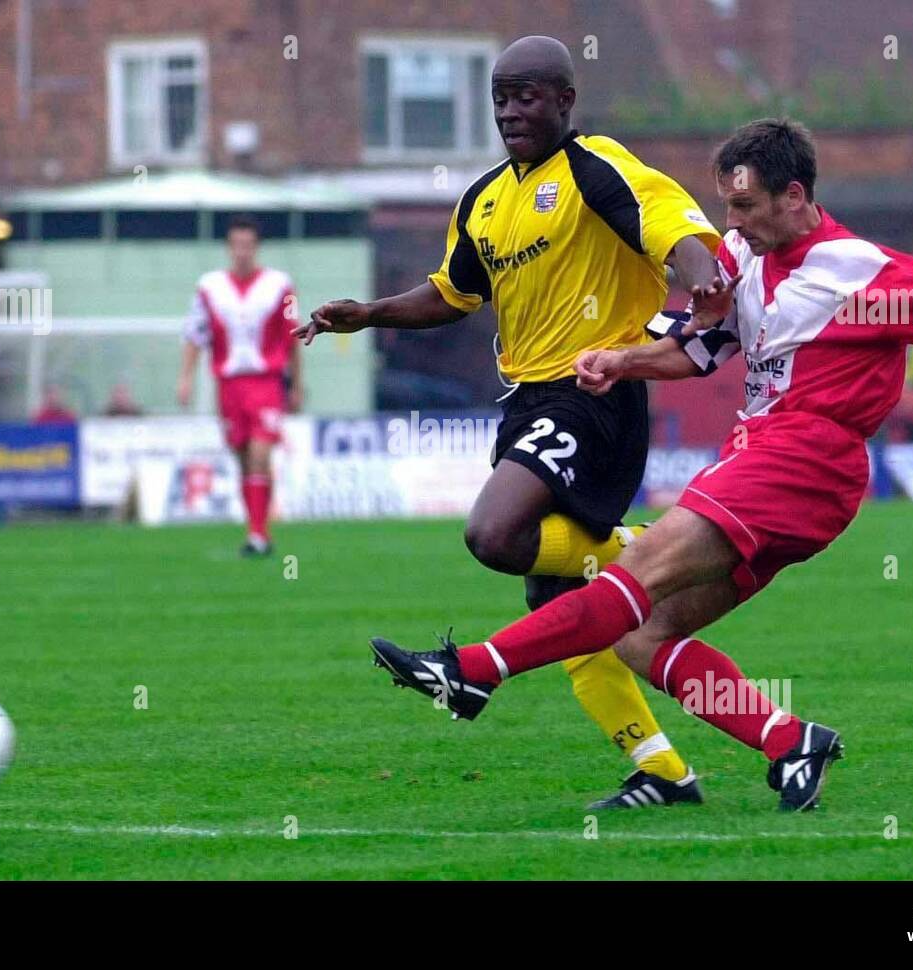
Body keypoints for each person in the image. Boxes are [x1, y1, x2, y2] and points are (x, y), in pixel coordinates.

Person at [368, 118, 913, 812]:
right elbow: (699, 349)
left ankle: (475, 670)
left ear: (794, 196)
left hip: (804, 459)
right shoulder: (743, 261)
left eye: (745, 207)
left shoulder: (862, 270)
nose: (733, 223)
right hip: (763, 462)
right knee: (641, 634)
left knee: (634, 574)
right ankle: (789, 740)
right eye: (726, 206)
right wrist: (623, 359)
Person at [297, 36, 724, 809]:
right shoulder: (485, 198)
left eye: (528, 96)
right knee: (555, 604)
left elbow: (679, 235)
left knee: (492, 535)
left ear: (565, 100)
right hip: (528, 399)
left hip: (593, 392)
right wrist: (369, 315)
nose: (511, 111)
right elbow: (454, 291)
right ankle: (663, 772)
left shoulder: (598, 168)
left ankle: (641, 549)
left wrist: (702, 287)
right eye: (501, 97)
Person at [178, 216, 301, 557]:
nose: (243, 252)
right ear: (229, 248)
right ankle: (255, 529)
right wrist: (185, 378)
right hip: (229, 385)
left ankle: (260, 534)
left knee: (262, 454)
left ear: (256, 247)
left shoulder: (279, 285)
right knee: (244, 459)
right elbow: (194, 335)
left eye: (248, 245)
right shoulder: (209, 287)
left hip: (266, 383)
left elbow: (294, 336)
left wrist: (297, 384)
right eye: (237, 245)